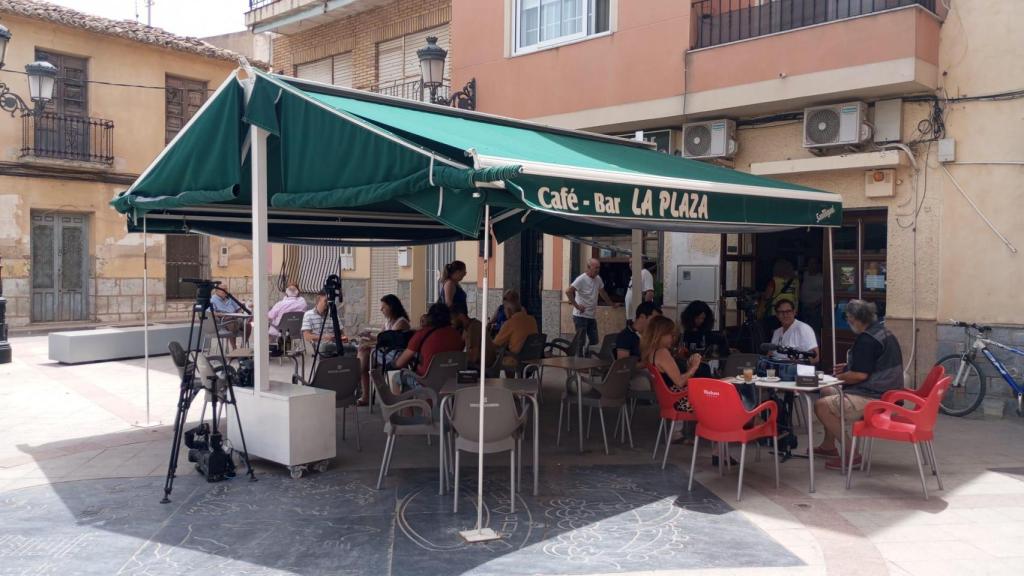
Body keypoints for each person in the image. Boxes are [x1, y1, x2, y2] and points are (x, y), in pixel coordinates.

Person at [815, 299, 904, 470]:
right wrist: (849, 367)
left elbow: (859, 375)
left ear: (854, 319)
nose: (847, 321)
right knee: (826, 391)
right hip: (888, 393)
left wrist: (839, 377)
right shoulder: (883, 332)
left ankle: (852, 454)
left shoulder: (867, 339)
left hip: (876, 397)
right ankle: (828, 446)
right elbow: (874, 364)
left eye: (847, 317)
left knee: (822, 406)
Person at [641, 315, 702, 441]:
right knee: (717, 399)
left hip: (668, 399)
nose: (673, 338)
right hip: (678, 400)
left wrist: (689, 368)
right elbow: (680, 382)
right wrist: (694, 367)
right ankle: (720, 441)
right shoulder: (662, 353)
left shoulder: (651, 352)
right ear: (661, 334)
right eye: (671, 334)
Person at [393, 303, 464, 389]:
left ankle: (403, 399)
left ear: (430, 317)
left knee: (396, 377)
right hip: (451, 383)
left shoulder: (422, 333)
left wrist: (392, 363)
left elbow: (400, 363)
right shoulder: (457, 335)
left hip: (426, 382)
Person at [357, 294, 411, 405]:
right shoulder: (389, 321)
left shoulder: (401, 322)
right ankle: (363, 383)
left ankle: (363, 387)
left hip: (395, 355)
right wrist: (369, 337)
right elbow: (381, 338)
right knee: (363, 351)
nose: (381, 310)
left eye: (383, 307)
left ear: (391, 307)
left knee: (364, 355)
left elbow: (388, 342)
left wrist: (370, 344)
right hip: (386, 352)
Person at [566, 258, 619, 347]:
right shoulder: (581, 279)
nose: (597, 270)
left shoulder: (598, 278)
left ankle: (586, 352)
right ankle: (579, 355)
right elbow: (568, 291)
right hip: (580, 316)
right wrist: (577, 306)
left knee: (594, 341)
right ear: (589, 267)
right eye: (596, 268)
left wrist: (612, 304)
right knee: (581, 342)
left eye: (599, 268)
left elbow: (603, 293)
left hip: (591, 315)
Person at [765, 298, 820, 379]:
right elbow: (769, 355)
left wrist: (794, 363)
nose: (785, 315)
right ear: (777, 315)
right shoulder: (777, 332)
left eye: (788, 311)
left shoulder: (803, 329)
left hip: (796, 373)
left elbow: (816, 358)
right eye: (781, 312)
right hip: (776, 373)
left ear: (794, 312)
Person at [492, 290, 539, 372]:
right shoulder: (532, 320)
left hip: (517, 360)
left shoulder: (510, 323)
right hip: (534, 359)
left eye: (505, 308)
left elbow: (495, 344)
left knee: (495, 357)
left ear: (509, 310)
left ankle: (507, 379)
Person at [762, 258, 800, 334]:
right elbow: (797, 297)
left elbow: (767, 296)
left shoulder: (774, 281)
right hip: (791, 311)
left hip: (776, 311)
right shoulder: (796, 281)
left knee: (775, 331)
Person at [302, 290, 344, 356]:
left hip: (334, 345)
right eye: (326, 301)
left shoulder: (333, 314)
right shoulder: (308, 315)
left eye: (329, 301)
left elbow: (342, 333)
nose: (328, 303)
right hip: (320, 346)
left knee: (352, 349)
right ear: (318, 300)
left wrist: (340, 338)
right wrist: (323, 337)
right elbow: (307, 336)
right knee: (325, 348)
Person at [451, 301, 487, 370]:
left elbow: (473, 358)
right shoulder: (467, 328)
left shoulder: (473, 327)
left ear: (461, 315)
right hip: (478, 366)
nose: (451, 322)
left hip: (483, 369)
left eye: (452, 319)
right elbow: (459, 349)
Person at [210, 285, 242, 350]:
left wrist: (239, 313)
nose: (225, 291)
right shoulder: (213, 299)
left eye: (226, 289)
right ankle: (234, 348)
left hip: (235, 317)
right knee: (232, 323)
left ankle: (243, 346)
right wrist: (222, 314)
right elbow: (211, 312)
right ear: (216, 291)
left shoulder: (230, 298)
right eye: (223, 289)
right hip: (222, 321)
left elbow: (238, 308)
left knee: (247, 324)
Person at [799, 257, 824, 334]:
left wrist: (815, 304)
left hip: (815, 308)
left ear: (818, 265)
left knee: (814, 330)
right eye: (810, 263)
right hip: (803, 306)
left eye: (814, 263)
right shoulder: (805, 274)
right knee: (803, 329)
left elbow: (826, 294)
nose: (812, 265)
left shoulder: (821, 278)